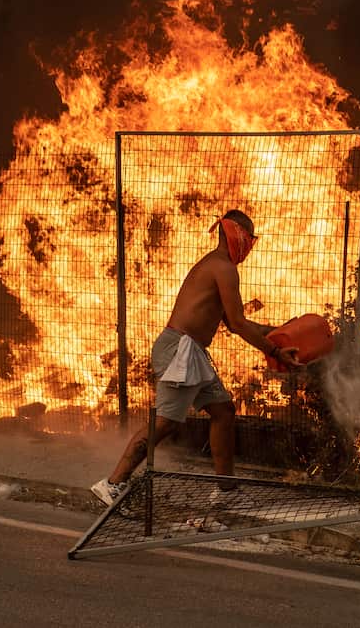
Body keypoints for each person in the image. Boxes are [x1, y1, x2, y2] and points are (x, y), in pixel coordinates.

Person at [91, 209, 301, 508]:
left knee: (224, 412)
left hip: (192, 352)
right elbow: (239, 324)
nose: (249, 245)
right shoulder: (223, 267)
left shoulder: (219, 266)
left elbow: (231, 322)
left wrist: (278, 332)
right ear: (234, 234)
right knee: (165, 424)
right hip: (179, 350)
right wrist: (275, 351)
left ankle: (225, 491)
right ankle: (112, 484)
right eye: (247, 237)